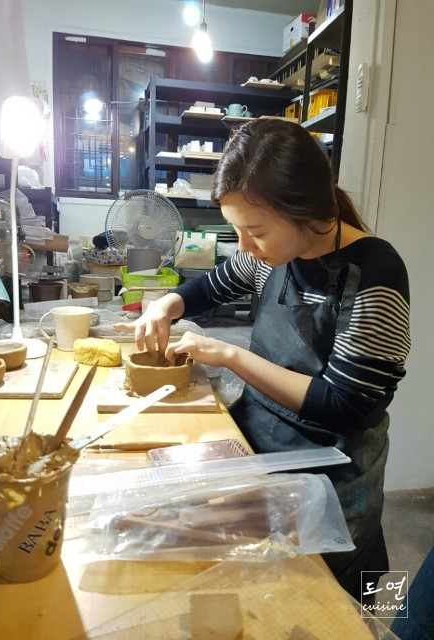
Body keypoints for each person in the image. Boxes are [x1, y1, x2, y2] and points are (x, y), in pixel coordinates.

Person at [114, 119, 410, 601]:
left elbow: (345, 405)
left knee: (321, 608)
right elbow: (209, 287)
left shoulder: (375, 276)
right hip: (259, 450)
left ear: (307, 212)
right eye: (237, 231)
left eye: (254, 232)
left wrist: (230, 356)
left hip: (330, 475)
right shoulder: (271, 253)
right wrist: (165, 305)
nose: (245, 246)